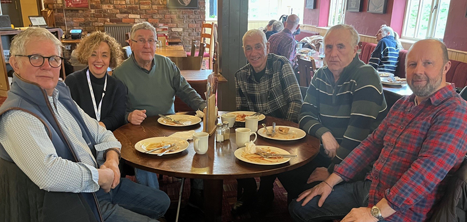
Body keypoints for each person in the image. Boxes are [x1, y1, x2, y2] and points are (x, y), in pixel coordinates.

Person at [0, 27, 170, 222]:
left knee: (162, 201)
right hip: (75, 202)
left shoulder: (59, 95)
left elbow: (102, 132)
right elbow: (50, 173)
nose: (47, 66)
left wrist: (112, 162)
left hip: (100, 183)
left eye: (54, 59)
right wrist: (100, 176)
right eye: (36, 58)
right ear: (15, 63)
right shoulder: (18, 115)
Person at [289, 39, 467, 222]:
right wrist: (330, 181)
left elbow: (424, 174)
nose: (418, 71)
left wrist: (374, 213)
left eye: (428, 63)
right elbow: (371, 145)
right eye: (412, 64)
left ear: (446, 67)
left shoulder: (455, 111)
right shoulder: (403, 104)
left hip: (402, 210)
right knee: (300, 208)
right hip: (370, 188)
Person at [278, 24, 387, 205]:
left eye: (340, 46)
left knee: (301, 203)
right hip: (328, 154)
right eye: (329, 47)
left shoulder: (366, 76)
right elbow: (305, 114)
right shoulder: (321, 75)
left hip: (360, 166)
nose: (333, 53)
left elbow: (357, 138)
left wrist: (332, 171)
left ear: (355, 50)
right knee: (282, 167)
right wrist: (324, 133)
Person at [112, 21, 205, 204]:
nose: (147, 45)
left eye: (151, 40)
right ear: (130, 43)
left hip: (171, 126)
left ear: (157, 43)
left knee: (200, 143)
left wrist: (204, 106)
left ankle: (198, 193)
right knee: (143, 158)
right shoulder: (120, 74)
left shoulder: (167, 65)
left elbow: (186, 90)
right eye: (141, 40)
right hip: (139, 130)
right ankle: (155, 203)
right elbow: (115, 111)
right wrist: (128, 116)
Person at [233, 29, 303, 215]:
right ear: (244, 51)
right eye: (249, 48)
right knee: (233, 145)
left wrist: (282, 131)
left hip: (282, 129)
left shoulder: (281, 65)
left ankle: (265, 191)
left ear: (267, 47)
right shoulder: (241, 75)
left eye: (258, 46)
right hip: (256, 130)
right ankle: (248, 190)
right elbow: (242, 114)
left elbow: (296, 100)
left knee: (271, 147)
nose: (253, 53)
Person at [65, 31, 127, 132]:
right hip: (80, 138)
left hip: (109, 139)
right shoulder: (72, 82)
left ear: (110, 58)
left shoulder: (117, 86)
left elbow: (118, 115)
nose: (99, 60)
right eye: (93, 54)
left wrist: (100, 126)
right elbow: (68, 115)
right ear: (86, 55)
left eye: (104, 55)